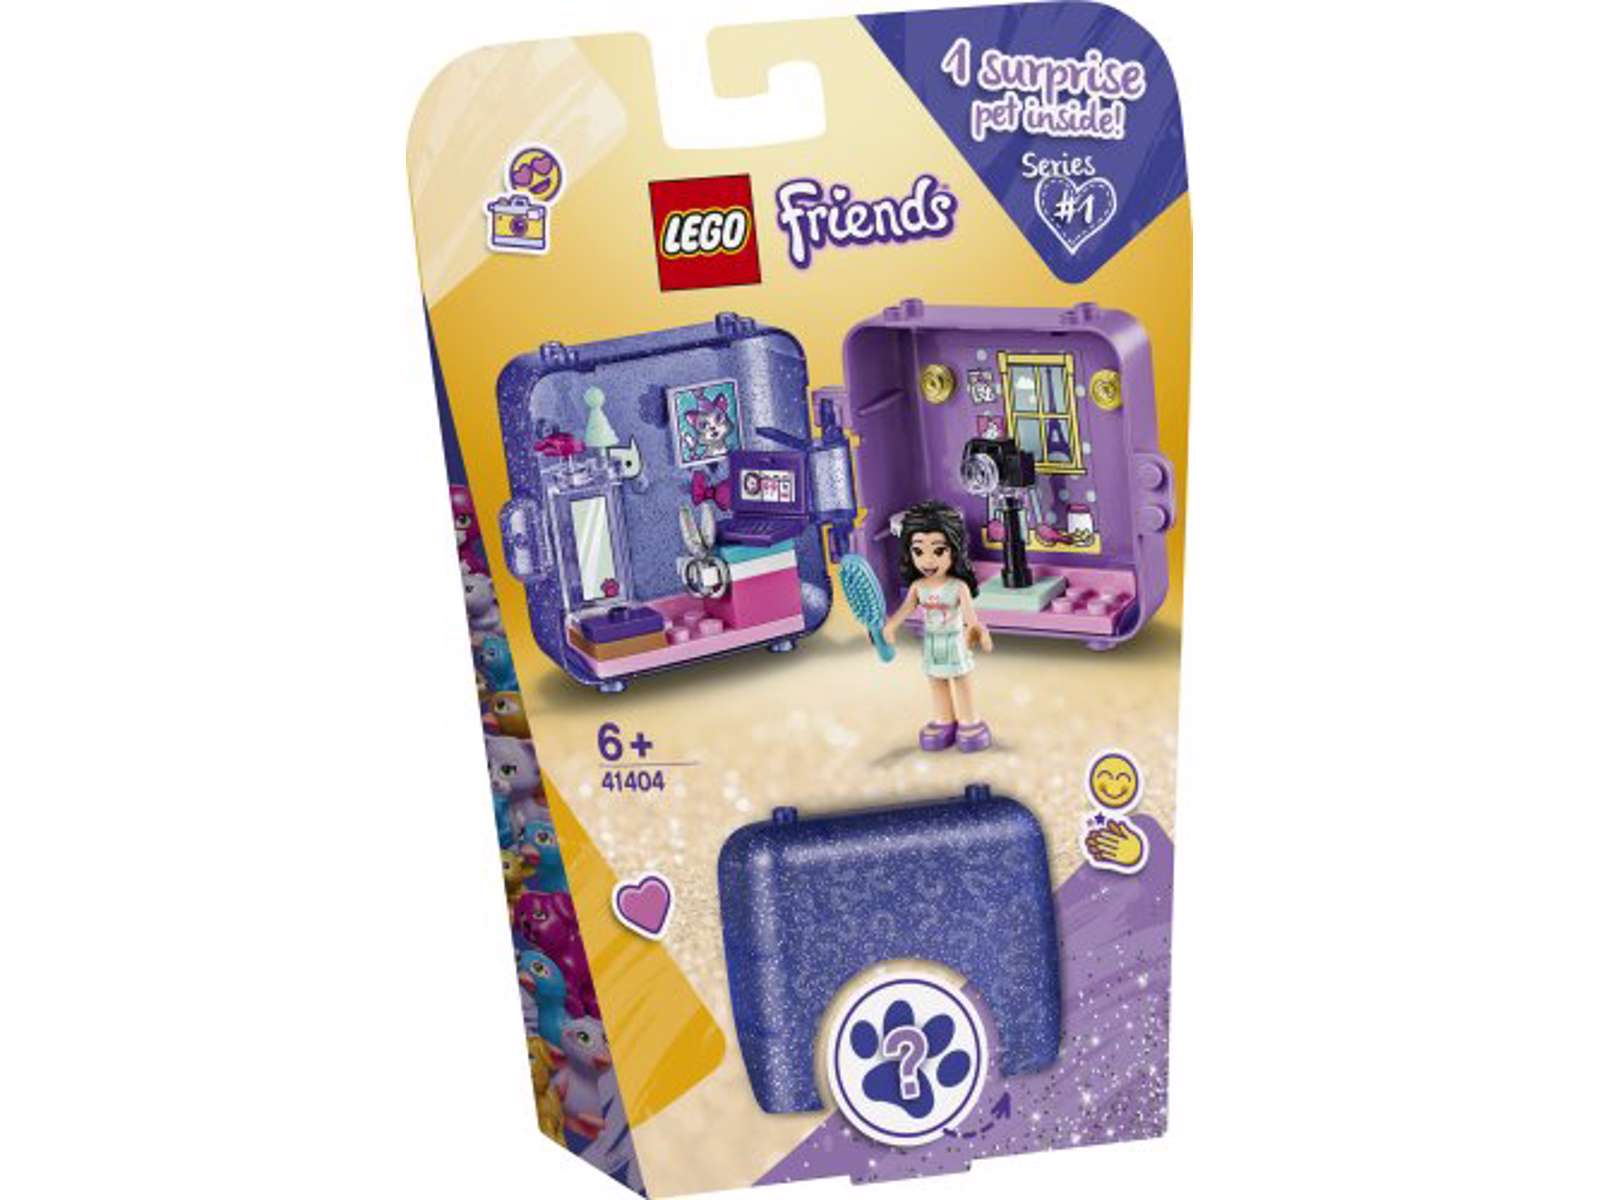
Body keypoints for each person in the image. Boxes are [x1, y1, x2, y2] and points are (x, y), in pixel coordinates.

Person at [882, 501, 994, 752]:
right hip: (931, 641)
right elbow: (906, 609)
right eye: (918, 551)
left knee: (961, 678)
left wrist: (977, 630)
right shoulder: (918, 587)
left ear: (954, 549)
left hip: (955, 640)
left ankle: (969, 720)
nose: (928, 560)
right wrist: (890, 626)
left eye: (938, 550)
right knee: (936, 680)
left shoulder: (958, 587)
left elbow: (970, 618)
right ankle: (944, 719)